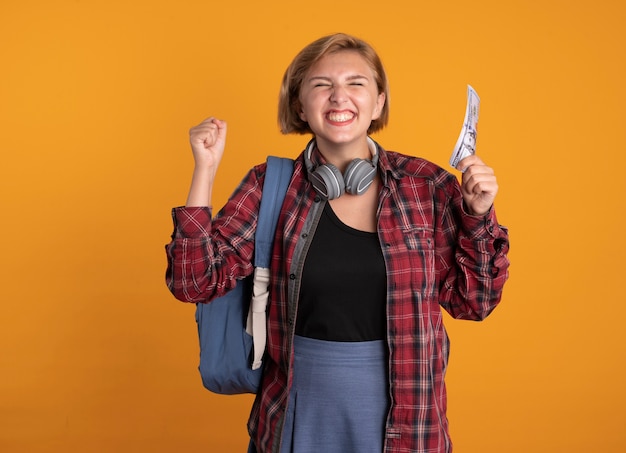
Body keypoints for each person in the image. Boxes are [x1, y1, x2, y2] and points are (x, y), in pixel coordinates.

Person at [165, 33, 510, 453]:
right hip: (297, 414)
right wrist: (204, 170)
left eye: (356, 83)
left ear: (379, 101)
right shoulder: (271, 186)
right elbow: (193, 283)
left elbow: (474, 302)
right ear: (300, 105)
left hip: (408, 419)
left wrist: (477, 217)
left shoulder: (426, 186)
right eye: (321, 84)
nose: (338, 97)